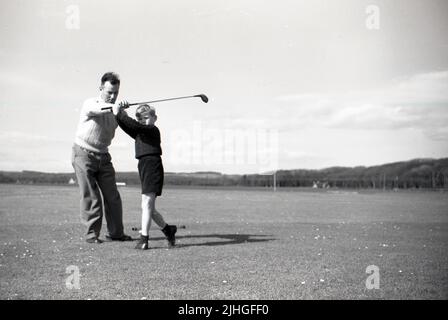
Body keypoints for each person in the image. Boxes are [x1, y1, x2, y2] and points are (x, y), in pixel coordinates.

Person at [71, 72, 132, 244]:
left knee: (113, 196)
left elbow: (130, 124)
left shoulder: (116, 109)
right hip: (83, 154)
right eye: (109, 92)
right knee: (92, 196)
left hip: (103, 156)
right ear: (101, 89)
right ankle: (92, 235)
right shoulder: (91, 103)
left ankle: (116, 233)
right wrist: (115, 108)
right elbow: (97, 110)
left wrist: (123, 112)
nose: (113, 96)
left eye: (116, 93)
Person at [112, 103, 177, 250]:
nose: (143, 121)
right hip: (143, 165)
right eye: (140, 118)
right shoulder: (140, 131)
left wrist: (120, 112)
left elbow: (134, 125)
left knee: (146, 205)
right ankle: (168, 230)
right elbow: (128, 126)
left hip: (153, 165)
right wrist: (119, 113)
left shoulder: (152, 129)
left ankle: (144, 239)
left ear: (155, 118)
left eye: (146, 117)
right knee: (150, 209)